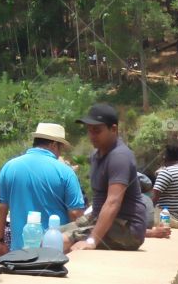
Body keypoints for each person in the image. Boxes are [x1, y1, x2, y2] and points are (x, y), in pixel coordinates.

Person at [65, 104, 165, 252]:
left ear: (113, 129)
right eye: (89, 130)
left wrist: (91, 240)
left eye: (97, 131)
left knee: (63, 240)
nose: (92, 135)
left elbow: (113, 202)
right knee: (50, 234)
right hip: (100, 220)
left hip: (127, 229)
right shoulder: (95, 156)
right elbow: (99, 203)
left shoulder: (120, 156)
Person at [0, 122, 85, 254]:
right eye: (61, 148)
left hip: (19, 252)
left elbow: (0, 207)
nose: (60, 154)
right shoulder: (66, 172)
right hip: (56, 253)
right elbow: (75, 213)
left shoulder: (9, 167)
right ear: (54, 144)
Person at [152, 144, 178, 228]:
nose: (163, 157)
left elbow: (153, 199)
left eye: (164, 155)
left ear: (167, 156)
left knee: (136, 216)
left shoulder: (167, 172)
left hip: (171, 219)